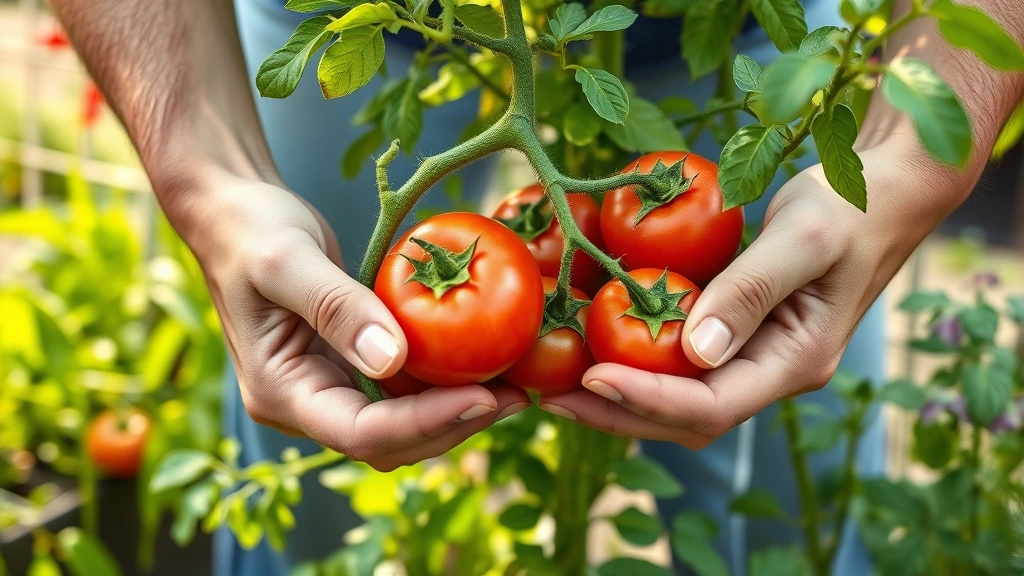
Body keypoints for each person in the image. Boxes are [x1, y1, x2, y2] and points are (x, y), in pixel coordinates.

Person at [50, 0, 1024, 574]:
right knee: (311, 416)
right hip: (344, 13)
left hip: (746, 25)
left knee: (786, 488)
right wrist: (205, 170)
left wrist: (909, 160)